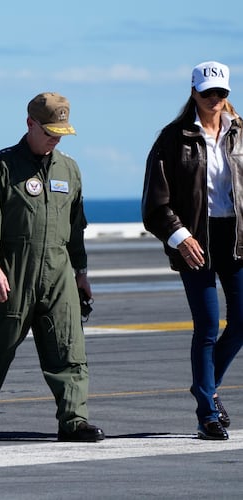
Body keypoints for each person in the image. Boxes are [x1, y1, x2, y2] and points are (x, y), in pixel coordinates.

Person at [0, 92, 105, 442]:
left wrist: (81, 273)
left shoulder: (68, 169)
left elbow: (76, 227)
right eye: (49, 131)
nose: (55, 138)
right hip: (14, 270)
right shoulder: (2, 167)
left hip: (58, 271)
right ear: (30, 124)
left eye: (60, 133)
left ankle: (73, 419)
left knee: (68, 346)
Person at [142, 61, 243, 441]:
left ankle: (206, 386)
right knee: (206, 326)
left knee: (242, 322)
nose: (214, 99)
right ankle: (207, 412)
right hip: (195, 239)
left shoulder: (241, 134)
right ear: (193, 92)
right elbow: (155, 204)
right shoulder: (172, 139)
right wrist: (180, 237)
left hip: (236, 239)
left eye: (221, 93)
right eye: (207, 93)